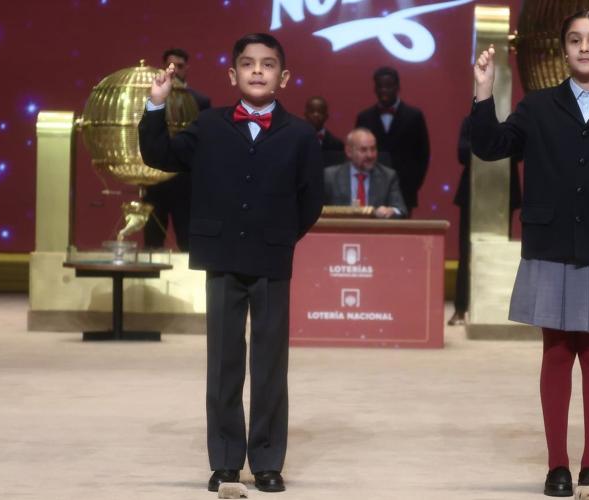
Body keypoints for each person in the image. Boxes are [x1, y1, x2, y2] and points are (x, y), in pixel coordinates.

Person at [471, 8, 589, 500]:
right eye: (575, 39)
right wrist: (484, 91)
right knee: (555, 351)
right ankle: (557, 466)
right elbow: (489, 145)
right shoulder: (537, 108)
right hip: (549, 242)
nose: (584, 47)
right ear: (563, 50)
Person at [139, 33, 324, 494]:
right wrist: (157, 104)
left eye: (267, 64)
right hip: (221, 258)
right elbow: (159, 155)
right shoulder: (208, 125)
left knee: (270, 365)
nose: (257, 71)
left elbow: (311, 200)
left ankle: (267, 461)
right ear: (232, 74)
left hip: (271, 259)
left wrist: (281, 236)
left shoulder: (301, 134)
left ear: (284, 77)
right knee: (223, 362)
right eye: (247, 63)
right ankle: (224, 460)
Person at [448, 116, 521, 326]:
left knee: (500, 252)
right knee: (466, 252)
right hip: (473, 193)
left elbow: (520, 152)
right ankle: (461, 308)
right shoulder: (471, 120)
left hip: (503, 192)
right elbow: (462, 153)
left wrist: (494, 146)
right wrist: (489, 146)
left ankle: (499, 310)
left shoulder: (513, 121)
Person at [142, 48, 211, 251]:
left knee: (187, 238)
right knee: (152, 238)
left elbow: (204, 142)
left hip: (185, 180)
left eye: (180, 66)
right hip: (155, 176)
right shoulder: (151, 97)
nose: (175, 70)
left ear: (187, 68)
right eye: (170, 65)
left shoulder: (200, 101)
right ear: (163, 67)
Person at [355, 66, 430, 214]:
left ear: (397, 87)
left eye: (388, 86)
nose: (384, 90)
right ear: (375, 88)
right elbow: (356, 153)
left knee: (402, 228)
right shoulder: (364, 117)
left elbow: (423, 155)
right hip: (370, 187)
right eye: (380, 86)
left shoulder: (414, 116)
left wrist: (413, 185)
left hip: (404, 189)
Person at [323, 128, 407, 218]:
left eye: (373, 149)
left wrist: (391, 211)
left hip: (374, 226)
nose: (370, 155)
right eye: (363, 150)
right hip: (340, 226)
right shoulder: (330, 176)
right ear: (349, 151)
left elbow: (401, 210)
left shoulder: (388, 176)